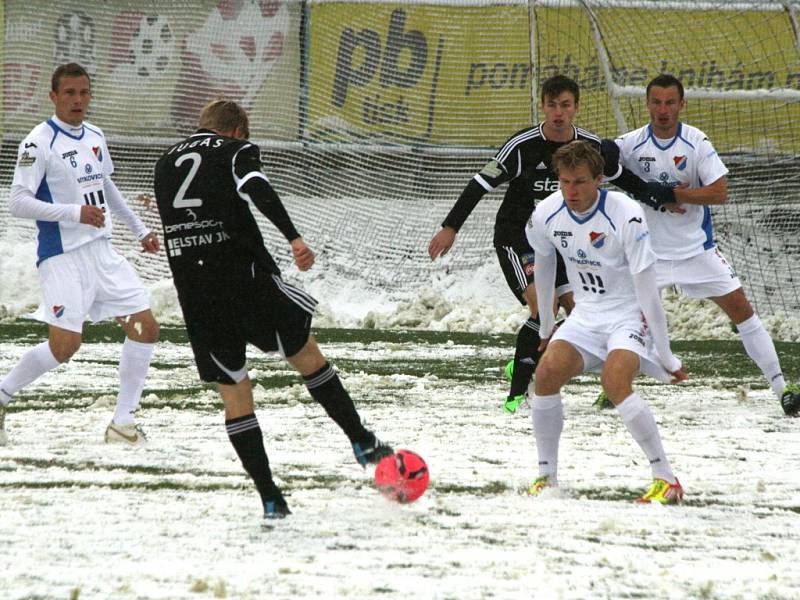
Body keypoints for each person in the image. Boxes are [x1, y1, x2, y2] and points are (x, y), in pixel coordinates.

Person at [152, 99, 393, 520]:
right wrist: (294, 238)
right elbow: (257, 188)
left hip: (195, 291)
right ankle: (361, 440)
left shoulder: (163, 163)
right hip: (244, 279)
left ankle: (270, 498)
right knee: (305, 354)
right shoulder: (235, 151)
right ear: (238, 132)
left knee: (235, 391)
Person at [428, 75, 671, 414]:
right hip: (517, 238)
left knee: (582, 309)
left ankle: (611, 386)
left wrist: (661, 199)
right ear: (542, 106)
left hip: (563, 242)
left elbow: (621, 178)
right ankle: (516, 394)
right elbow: (480, 183)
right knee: (543, 308)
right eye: (552, 105)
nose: (558, 113)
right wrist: (450, 227)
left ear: (576, 108)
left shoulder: (588, 147)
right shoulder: (522, 145)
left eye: (565, 105)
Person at [613, 74, 799, 416]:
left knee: (742, 308)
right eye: (656, 102)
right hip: (648, 254)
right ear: (647, 104)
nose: (663, 110)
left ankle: (781, 387)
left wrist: (670, 194)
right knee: (627, 322)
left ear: (682, 105)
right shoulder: (631, 143)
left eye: (670, 102)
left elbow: (719, 192)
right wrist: (640, 189)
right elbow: (601, 162)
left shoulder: (696, 142)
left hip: (696, 251)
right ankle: (614, 388)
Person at [0, 63, 160, 447]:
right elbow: (18, 202)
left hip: (101, 251)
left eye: (84, 93)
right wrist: (75, 213)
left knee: (145, 327)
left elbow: (105, 185)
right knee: (65, 348)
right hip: (62, 257)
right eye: (69, 93)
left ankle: (123, 424)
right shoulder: (38, 142)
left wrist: (140, 229)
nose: (77, 100)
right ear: (53, 96)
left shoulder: (95, 135)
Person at [526, 140, 687, 504]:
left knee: (614, 382)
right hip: (586, 315)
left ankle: (666, 479)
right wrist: (548, 328)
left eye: (580, 182)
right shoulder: (547, 213)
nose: (572, 191)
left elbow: (648, 291)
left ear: (599, 179)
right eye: (565, 182)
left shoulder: (626, 213)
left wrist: (666, 355)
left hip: (629, 313)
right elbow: (546, 264)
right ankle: (546, 479)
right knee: (546, 375)